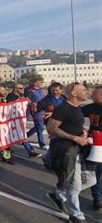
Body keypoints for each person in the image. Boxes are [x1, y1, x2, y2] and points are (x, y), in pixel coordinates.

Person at [46, 83, 96, 222]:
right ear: (74, 93)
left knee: (91, 179)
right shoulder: (63, 108)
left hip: (78, 149)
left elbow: (72, 125)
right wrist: (75, 137)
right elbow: (51, 128)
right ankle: (76, 215)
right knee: (75, 185)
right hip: (66, 150)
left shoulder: (77, 108)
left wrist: (83, 130)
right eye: (84, 90)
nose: (87, 92)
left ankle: (60, 195)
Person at [7, 84, 42, 158]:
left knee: (20, 135)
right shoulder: (10, 96)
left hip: (20, 118)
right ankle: (30, 151)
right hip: (13, 120)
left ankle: (30, 151)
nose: (22, 89)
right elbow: (10, 106)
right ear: (15, 88)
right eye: (20, 88)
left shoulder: (22, 95)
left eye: (22, 88)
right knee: (19, 136)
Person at [82, 85, 102, 211]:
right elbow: (73, 113)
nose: (91, 95)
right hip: (94, 145)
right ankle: (98, 198)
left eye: (94, 93)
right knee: (97, 173)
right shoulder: (89, 108)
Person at [25, 79, 48, 150]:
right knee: (40, 127)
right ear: (35, 83)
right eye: (39, 82)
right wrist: (32, 105)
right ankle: (42, 144)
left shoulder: (41, 90)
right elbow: (27, 100)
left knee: (39, 127)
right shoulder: (31, 91)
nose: (41, 83)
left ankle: (25, 136)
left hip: (43, 110)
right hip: (36, 111)